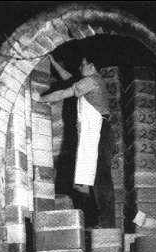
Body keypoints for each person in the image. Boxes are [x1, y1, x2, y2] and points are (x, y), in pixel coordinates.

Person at [34, 55, 115, 228]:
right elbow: (69, 79)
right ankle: (97, 221)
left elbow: (65, 92)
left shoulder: (92, 80)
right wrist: (54, 62)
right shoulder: (89, 80)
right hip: (96, 131)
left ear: (92, 67)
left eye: (83, 65)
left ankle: (106, 223)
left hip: (100, 131)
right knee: (92, 178)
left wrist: (40, 99)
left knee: (101, 177)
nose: (80, 68)